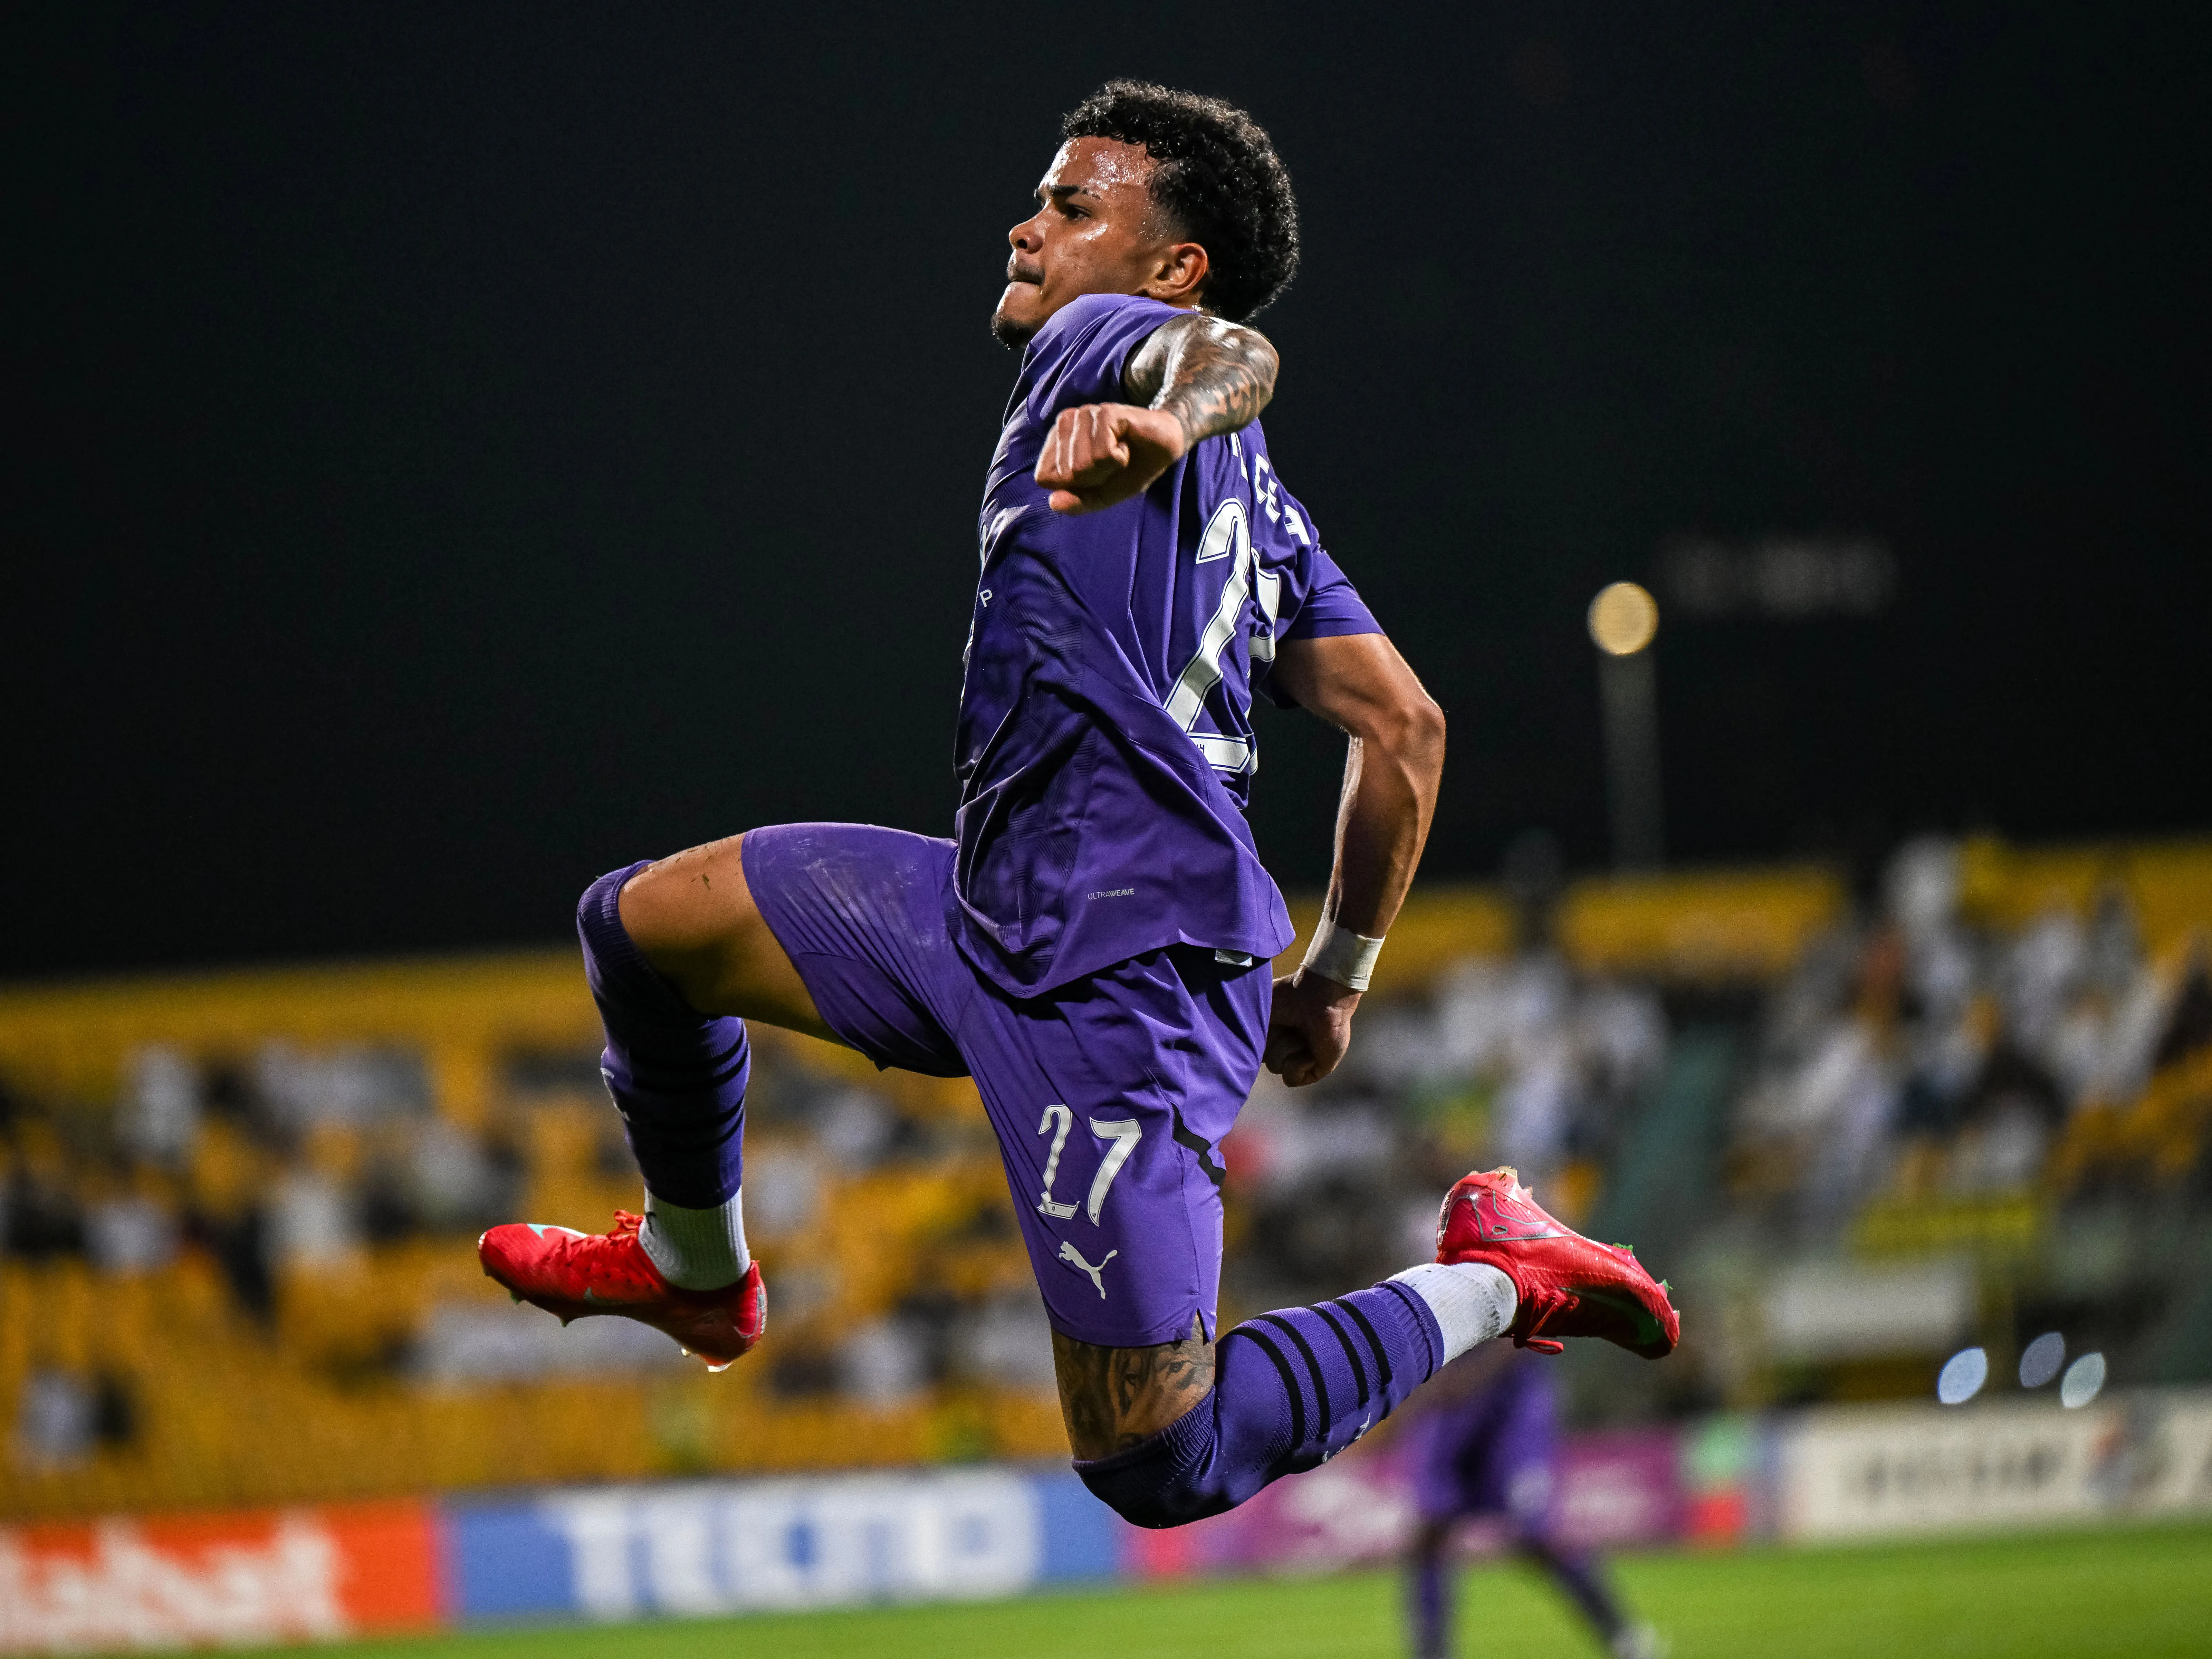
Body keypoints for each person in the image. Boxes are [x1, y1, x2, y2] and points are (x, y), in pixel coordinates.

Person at [479, 81, 1677, 1529]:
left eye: (1069, 203)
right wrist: (1335, 982)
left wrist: (1163, 422)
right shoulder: (1267, 516)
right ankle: (694, 1268)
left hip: (1120, 970)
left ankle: (1499, 1270)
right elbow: (1403, 728)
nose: (1026, 224)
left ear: (1167, 264)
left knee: (1154, 1458)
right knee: (642, 926)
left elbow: (1237, 351)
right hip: (987, 907)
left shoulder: (1110, 351)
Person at [1403, 1346, 1663, 1659]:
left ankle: (1622, 1634)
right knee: (1430, 1531)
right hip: (1448, 1401)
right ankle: (1431, 1653)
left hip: (1510, 1405)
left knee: (1535, 1535)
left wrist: (1470, 1378)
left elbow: (1533, 1323)